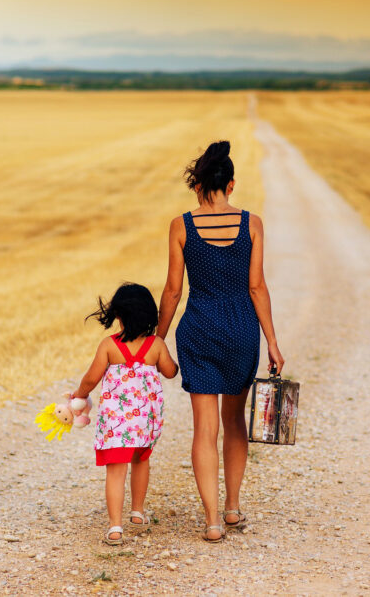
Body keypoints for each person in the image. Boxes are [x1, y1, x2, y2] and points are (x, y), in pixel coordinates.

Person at [156, 140, 285, 543]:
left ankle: (211, 521)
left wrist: (156, 341)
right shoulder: (252, 224)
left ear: (198, 186)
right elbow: (257, 287)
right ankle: (231, 507)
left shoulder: (182, 226)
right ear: (230, 185)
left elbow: (173, 292)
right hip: (240, 331)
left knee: (203, 430)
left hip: (198, 329)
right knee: (233, 423)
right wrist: (273, 343)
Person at [72, 283, 179, 546]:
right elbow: (170, 372)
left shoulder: (109, 345)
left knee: (115, 471)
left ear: (118, 316)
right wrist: (173, 362)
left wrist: (79, 395)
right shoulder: (156, 345)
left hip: (116, 424)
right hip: (144, 422)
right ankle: (137, 513)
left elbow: (91, 378)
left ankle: (115, 527)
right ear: (150, 315)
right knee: (141, 462)